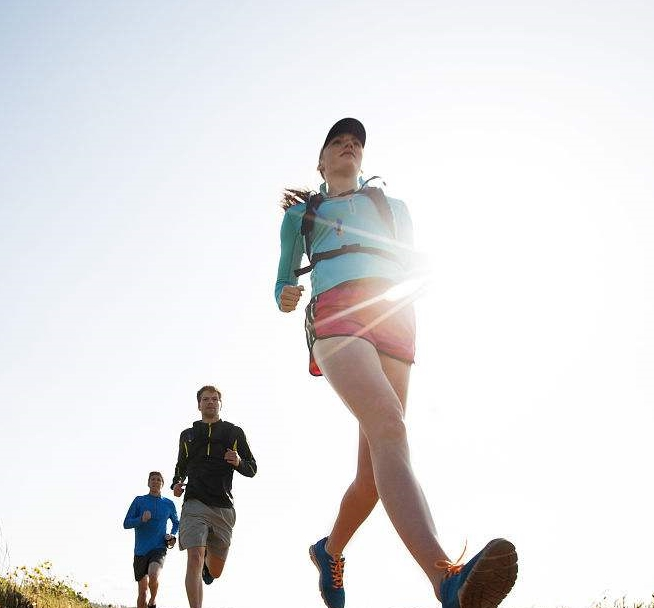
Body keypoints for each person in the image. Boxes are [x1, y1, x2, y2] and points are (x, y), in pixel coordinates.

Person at [274, 117, 518, 608]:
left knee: (373, 475)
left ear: (362, 160)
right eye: (338, 142)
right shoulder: (301, 216)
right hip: (337, 316)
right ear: (322, 162)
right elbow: (281, 280)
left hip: (394, 318)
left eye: (356, 143)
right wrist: (285, 294)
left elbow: (413, 261)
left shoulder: (393, 206)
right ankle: (445, 577)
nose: (349, 146)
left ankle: (329, 550)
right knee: (390, 428)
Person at [170, 385, 257, 608]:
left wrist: (238, 461)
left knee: (215, 572)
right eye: (206, 399)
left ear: (220, 404)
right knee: (194, 558)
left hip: (223, 506)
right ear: (199, 405)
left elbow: (252, 468)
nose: (210, 402)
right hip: (194, 502)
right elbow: (181, 465)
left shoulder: (233, 433)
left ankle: (209, 557)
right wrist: (176, 483)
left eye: (214, 399)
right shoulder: (187, 436)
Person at [123, 471, 180, 608]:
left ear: (162, 484)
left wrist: (172, 534)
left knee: (153, 574)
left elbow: (176, 523)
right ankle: (147, 600)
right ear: (148, 483)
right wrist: (141, 519)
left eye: (158, 480)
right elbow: (126, 523)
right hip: (141, 551)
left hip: (159, 547)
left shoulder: (168, 504)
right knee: (142, 592)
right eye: (152, 479)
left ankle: (153, 600)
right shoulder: (139, 501)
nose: (155, 482)